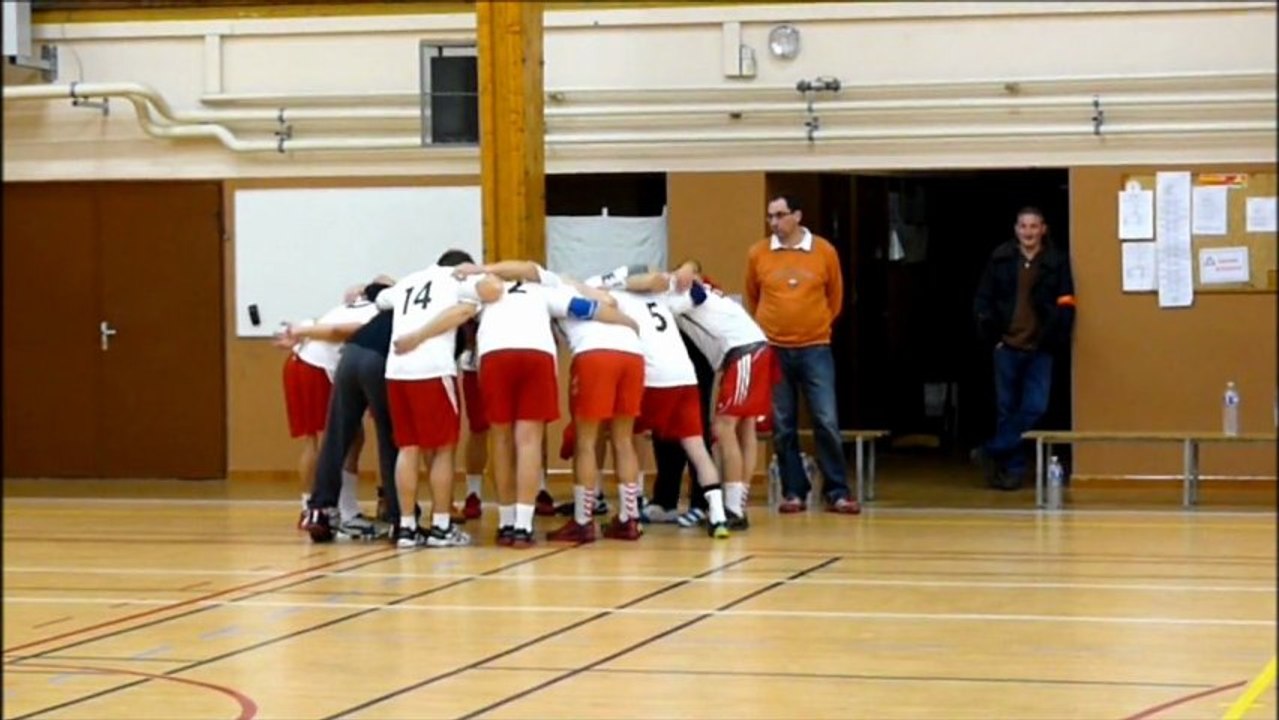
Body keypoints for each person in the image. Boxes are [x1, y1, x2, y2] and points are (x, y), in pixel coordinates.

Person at [587, 266, 731, 538]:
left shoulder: (618, 296)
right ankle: (718, 516)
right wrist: (687, 274)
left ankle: (629, 514)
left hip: (654, 379)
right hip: (686, 378)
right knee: (697, 447)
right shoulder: (663, 299)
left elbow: (592, 295)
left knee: (624, 439)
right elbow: (698, 294)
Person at [379, 249, 502, 548]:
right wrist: (481, 273)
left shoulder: (410, 280)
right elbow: (477, 301)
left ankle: (407, 527)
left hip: (396, 370)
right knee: (443, 449)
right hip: (432, 370)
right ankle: (441, 526)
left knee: (408, 448)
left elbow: (381, 299)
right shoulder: (456, 279)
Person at [745, 194, 859, 515]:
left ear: (797, 215)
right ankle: (794, 490)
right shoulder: (758, 253)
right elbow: (753, 296)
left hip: (815, 347)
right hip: (774, 348)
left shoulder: (824, 251)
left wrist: (816, 325)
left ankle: (837, 491)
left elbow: (835, 297)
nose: (774, 222)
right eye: (770, 216)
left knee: (826, 419)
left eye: (780, 215)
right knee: (783, 424)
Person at [972, 206, 1076, 490]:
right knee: (1007, 409)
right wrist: (991, 335)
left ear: (1043, 230)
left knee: (1035, 407)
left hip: (1041, 347)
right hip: (1006, 346)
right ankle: (1012, 471)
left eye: (1034, 226)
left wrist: (1056, 336)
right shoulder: (1000, 258)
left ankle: (991, 449)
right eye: (1023, 226)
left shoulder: (1056, 260)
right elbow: (983, 300)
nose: (1028, 232)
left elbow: (1067, 301)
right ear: (1016, 230)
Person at [297, 277, 405, 543]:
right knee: (391, 438)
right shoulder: (404, 310)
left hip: (347, 358)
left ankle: (319, 509)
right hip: (373, 361)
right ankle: (399, 517)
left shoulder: (359, 306)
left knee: (336, 436)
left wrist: (301, 331)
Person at [278, 291, 380, 532]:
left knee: (322, 440)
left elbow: (321, 324)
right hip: (317, 368)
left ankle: (312, 508)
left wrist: (301, 332)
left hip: (299, 362)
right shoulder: (374, 314)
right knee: (335, 440)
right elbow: (336, 331)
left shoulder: (353, 306)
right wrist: (300, 331)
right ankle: (339, 511)